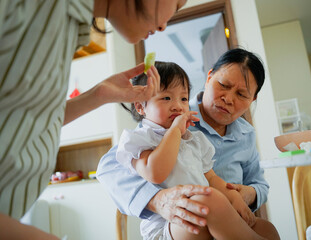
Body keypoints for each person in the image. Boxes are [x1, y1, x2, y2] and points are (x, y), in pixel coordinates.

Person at [0, 0, 202, 239]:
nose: (164, 26)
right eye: (176, 3)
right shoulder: (35, 8)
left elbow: (28, 116)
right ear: (141, 108)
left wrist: (100, 94)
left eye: (183, 98)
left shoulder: (70, 29)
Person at [97, 48, 280, 239]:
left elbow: (227, 180)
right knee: (209, 200)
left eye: (242, 94)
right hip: (175, 223)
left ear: (253, 99)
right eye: (223, 85)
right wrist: (156, 199)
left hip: (221, 221)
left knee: (267, 229)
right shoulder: (160, 128)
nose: (228, 98)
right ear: (209, 77)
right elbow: (110, 166)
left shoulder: (206, 138)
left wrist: (241, 195)